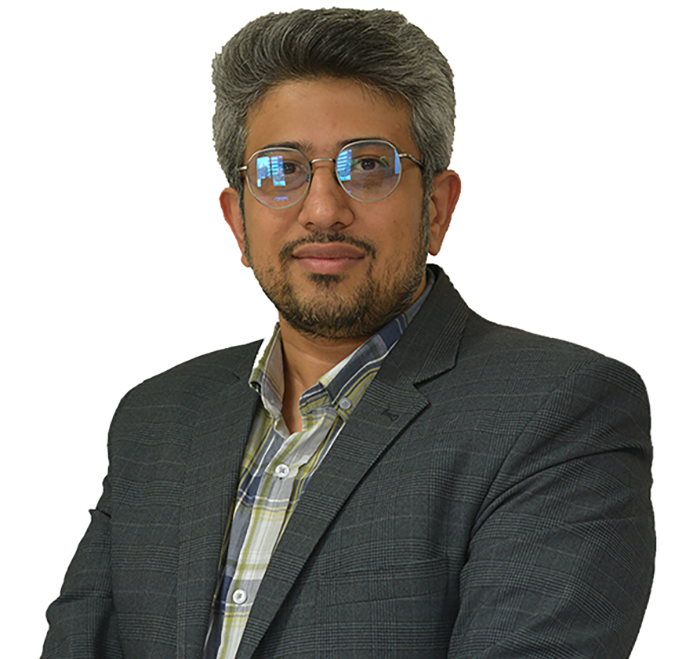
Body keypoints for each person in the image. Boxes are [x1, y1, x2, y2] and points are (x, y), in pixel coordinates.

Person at [41, 8, 655, 659]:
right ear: (238, 221)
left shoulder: (557, 410)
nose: (324, 209)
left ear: (436, 208)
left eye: (367, 166)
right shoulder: (156, 418)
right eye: (281, 170)